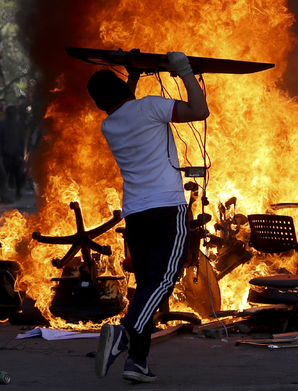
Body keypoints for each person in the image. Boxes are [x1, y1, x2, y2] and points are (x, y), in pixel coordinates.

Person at [90, 52, 209, 383]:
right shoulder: (151, 107)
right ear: (125, 90)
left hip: (136, 216)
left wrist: (133, 76)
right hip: (167, 210)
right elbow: (200, 110)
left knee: (146, 286)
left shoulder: (110, 124)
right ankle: (124, 335)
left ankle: (136, 363)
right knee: (164, 279)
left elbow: (126, 104)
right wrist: (184, 71)